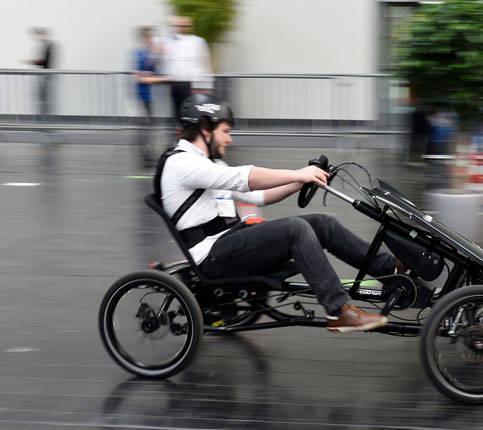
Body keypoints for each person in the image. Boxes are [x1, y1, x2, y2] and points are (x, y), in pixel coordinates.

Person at [159, 93, 407, 332]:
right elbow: (242, 179)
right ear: (205, 128)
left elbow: (256, 196)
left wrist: (301, 182)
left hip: (230, 240)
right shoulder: (181, 163)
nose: (229, 139)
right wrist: (299, 173)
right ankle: (338, 310)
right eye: (225, 131)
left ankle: (388, 269)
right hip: (210, 255)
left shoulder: (209, 164)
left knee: (321, 223)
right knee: (295, 230)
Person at [160, 15, 214, 126]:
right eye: (178, 25)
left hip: (193, 85)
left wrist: (206, 86)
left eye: (184, 25)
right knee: (180, 116)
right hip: (177, 84)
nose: (181, 28)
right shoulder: (170, 43)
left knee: (194, 115)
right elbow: (166, 63)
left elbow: (205, 65)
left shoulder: (198, 42)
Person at [132, 26, 169, 165]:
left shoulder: (148, 53)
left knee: (147, 122)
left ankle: (144, 148)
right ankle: (143, 150)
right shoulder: (141, 53)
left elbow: (152, 72)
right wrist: (163, 79)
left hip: (149, 94)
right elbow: (141, 77)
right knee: (146, 123)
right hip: (145, 93)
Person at [28, 27, 55, 117]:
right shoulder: (49, 45)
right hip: (46, 76)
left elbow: (43, 62)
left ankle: (45, 117)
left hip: (46, 76)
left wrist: (31, 62)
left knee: (44, 98)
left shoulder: (47, 46)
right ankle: (45, 116)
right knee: (44, 98)